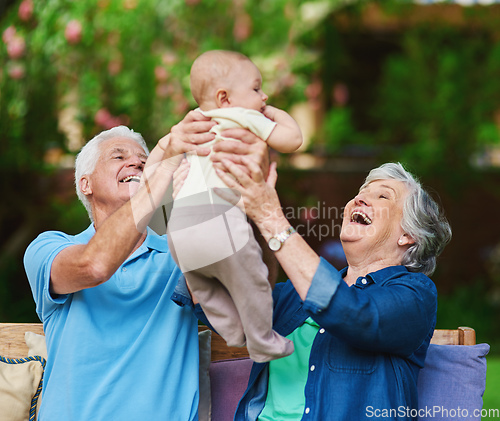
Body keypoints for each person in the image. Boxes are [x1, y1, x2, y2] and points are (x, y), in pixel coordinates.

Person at [23, 113, 269, 420]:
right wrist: (159, 173)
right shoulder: (49, 248)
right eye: (119, 156)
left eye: (144, 161)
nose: (137, 164)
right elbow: (94, 266)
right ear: (85, 184)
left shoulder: (177, 253)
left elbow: (242, 316)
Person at [193, 160, 452, 420]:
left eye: (382, 195)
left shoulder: (416, 294)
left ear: (408, 235)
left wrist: (272, 218)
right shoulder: (295, 294)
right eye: (359, 194)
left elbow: (356, 315)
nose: (359, 200)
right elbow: (222, 303)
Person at [164, 50, 303, 362]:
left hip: (179, 228)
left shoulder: (197, 125)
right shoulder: (242, 116)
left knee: (207, 289)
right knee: (252, 280)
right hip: (219, 222)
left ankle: (233, 332)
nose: (264, 95)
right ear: (224, 98)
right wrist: (272, 114)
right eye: (256, 89)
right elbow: (292, 139)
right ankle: (262, 339)